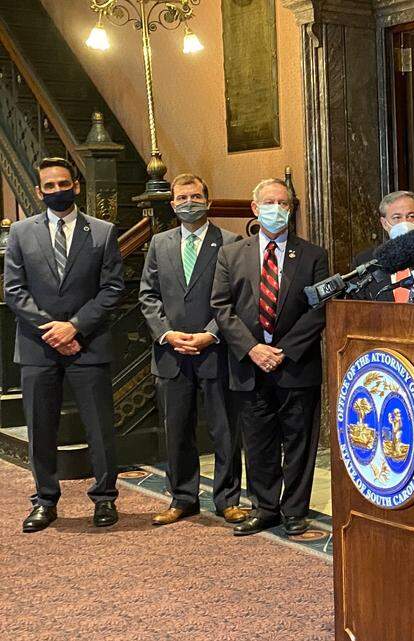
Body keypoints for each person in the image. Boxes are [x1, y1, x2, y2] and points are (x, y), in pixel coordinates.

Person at [2, 157, 125, 532]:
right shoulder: (21, 233)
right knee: (40, 428)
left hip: (88, 343)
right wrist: (50, 330)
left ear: (77, 185)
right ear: (39, 191)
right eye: (49, 186)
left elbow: (112, 289)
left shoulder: (103, 232)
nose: (57, 190)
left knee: (100, 427)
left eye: (63, 183)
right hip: (37, 347)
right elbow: (14, 290)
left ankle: (104, 498)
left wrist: (73, 328)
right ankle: (44, 500)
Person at [211, 178, 329, 536]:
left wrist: (284, 351)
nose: (277, 209)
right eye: (270, 202)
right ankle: (265, 507)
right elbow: (221, 306)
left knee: (298, 442)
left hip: (296, 365)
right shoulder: (231, 254)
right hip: (249, 365)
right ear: (255, 208)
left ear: (291, 210)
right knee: (258, 442)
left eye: (284, 203)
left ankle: (294, 510)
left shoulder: (313, 255)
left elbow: (320, 308)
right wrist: (252, 348)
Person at [139, 173, 247, 526]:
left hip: (216, 350)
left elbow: (235, 299)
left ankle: (227, 499)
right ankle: (182, 498)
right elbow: (148, 295)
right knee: (177, 430)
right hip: (171, 353)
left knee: (225, 430)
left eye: (196, 196)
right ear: (172, 204)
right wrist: (166, 334)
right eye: (182, 198)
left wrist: (211, 334)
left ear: (208, 200)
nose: (189, 203)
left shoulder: (230, 243)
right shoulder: (159, 244)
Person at [349, 190, 414, 303]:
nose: (405, 222)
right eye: (397, 218)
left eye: (411, 216)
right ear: (384, 223)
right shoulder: (365, 261)